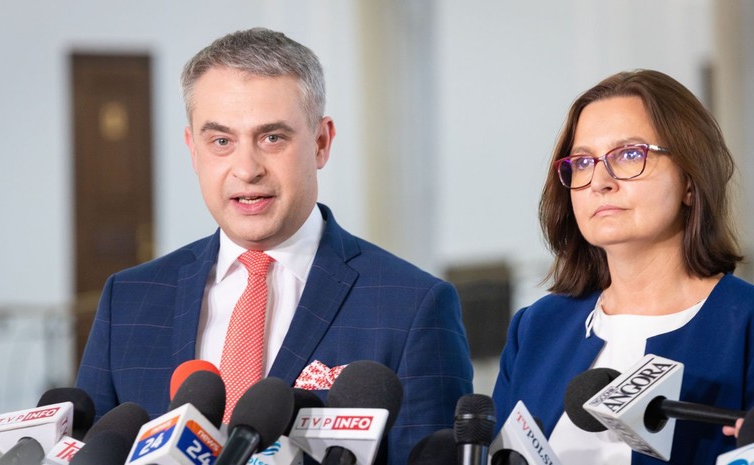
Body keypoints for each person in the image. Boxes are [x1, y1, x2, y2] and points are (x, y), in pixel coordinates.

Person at [75, 27, 473, 465]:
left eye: (272, 138)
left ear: (321, 142)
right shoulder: (128, 299)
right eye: (221, 141)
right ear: (193, 150)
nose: (247, 169)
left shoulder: (413, 306)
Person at [491, 69, 754, 464]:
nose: (599, 181)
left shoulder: (745, 325)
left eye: (630, 155)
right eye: (583, 162)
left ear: (689, 180)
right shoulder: (538, 328)